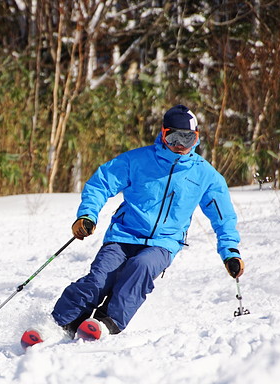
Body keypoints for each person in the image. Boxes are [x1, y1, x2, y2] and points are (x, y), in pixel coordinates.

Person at [52, 104, 244, 338]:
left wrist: (230, 251)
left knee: (140, 267)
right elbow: (101, 182)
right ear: (162, 134)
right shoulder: (138, 160)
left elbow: (222, 216)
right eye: (172, 137)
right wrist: (87, 215)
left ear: (197, 139)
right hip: (124, 234)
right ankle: (61, 322)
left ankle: (106, 321)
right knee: (99, 278)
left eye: (187, 138)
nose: (180, 146)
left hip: (164, 243)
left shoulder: (205, 175)